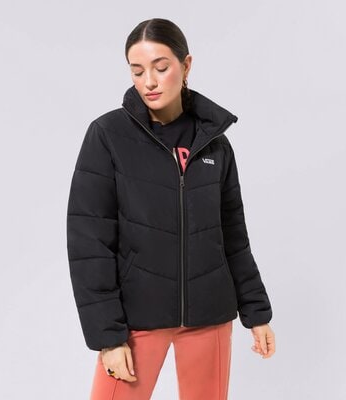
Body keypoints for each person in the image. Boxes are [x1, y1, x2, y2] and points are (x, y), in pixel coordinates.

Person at [66, 17, 276, 400]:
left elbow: (232, 235)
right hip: (137, 318)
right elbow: (89, 244)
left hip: (210, 315)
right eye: (137, 71)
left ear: (186, 65)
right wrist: (108, 335)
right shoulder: (109, 136)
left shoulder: (214, 143)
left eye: (161, 68)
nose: (149, 81)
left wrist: (257, 313)